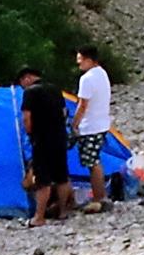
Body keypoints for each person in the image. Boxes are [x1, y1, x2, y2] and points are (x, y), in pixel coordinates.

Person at [15, 67, 72, 225]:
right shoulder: (55, 89)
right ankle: (62, 212)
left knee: (43, 179)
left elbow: (27, 118)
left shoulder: (30, 92)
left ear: (26, 78)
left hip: (42, 139)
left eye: (22, 83)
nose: (23, 87)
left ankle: (39, 217)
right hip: (60, 137)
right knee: (61, 176)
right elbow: (64, 112)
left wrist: (30, 134)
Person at [69, 47, 116, 213]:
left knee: (92, 162)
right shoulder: (102, 73)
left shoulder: (87, 79)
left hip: (90, 126)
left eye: (80, 59)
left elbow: (83, 105)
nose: (78, 62)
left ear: (89, 59)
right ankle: (101, 196)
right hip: (102, 124)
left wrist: (74, 124)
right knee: (95, 160)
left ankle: (99, 198)